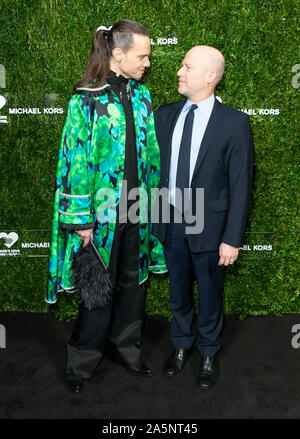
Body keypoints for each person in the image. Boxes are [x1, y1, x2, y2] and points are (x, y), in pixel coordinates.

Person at [46, 19, 166, 394]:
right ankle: (81, 364)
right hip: (99, 217)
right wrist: (81, 220)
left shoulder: (142, 95)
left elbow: (152, 156)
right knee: (97, 291)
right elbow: (73, 162)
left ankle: (127, 350)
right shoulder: (85, 99)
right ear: (117, 54)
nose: (147, 63)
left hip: (138, 210)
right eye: (142, 56)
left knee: (133, 285)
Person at [153, 45, 254, 390]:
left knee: (210, 292)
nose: (179, 72)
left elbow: (241, 185)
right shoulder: (164, 115)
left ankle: (209, 353)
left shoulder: (235, 123)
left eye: (187, 66)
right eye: (182, 65)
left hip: (210, 226)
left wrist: (231, 238)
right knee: (178, 291)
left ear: (210, 76)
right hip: (170, 222)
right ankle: (181, 346)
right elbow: (155, 173)